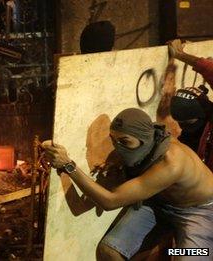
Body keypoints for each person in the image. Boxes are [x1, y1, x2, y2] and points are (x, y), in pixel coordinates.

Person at [43, 108, 213, 261]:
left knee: (189, 255)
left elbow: (110, 201)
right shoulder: (149, 135)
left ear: (144, 139)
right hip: (160, 201)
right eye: (114, 141)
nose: (118, 148)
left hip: (199, 212)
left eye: (124, 142)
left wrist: (68, 165)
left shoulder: (171, 163)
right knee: (108, 252)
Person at [165, 39, 213, 168]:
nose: (183, 127)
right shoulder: (187, 140)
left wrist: (180, 55)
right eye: (181, 122)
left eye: (189, 122)